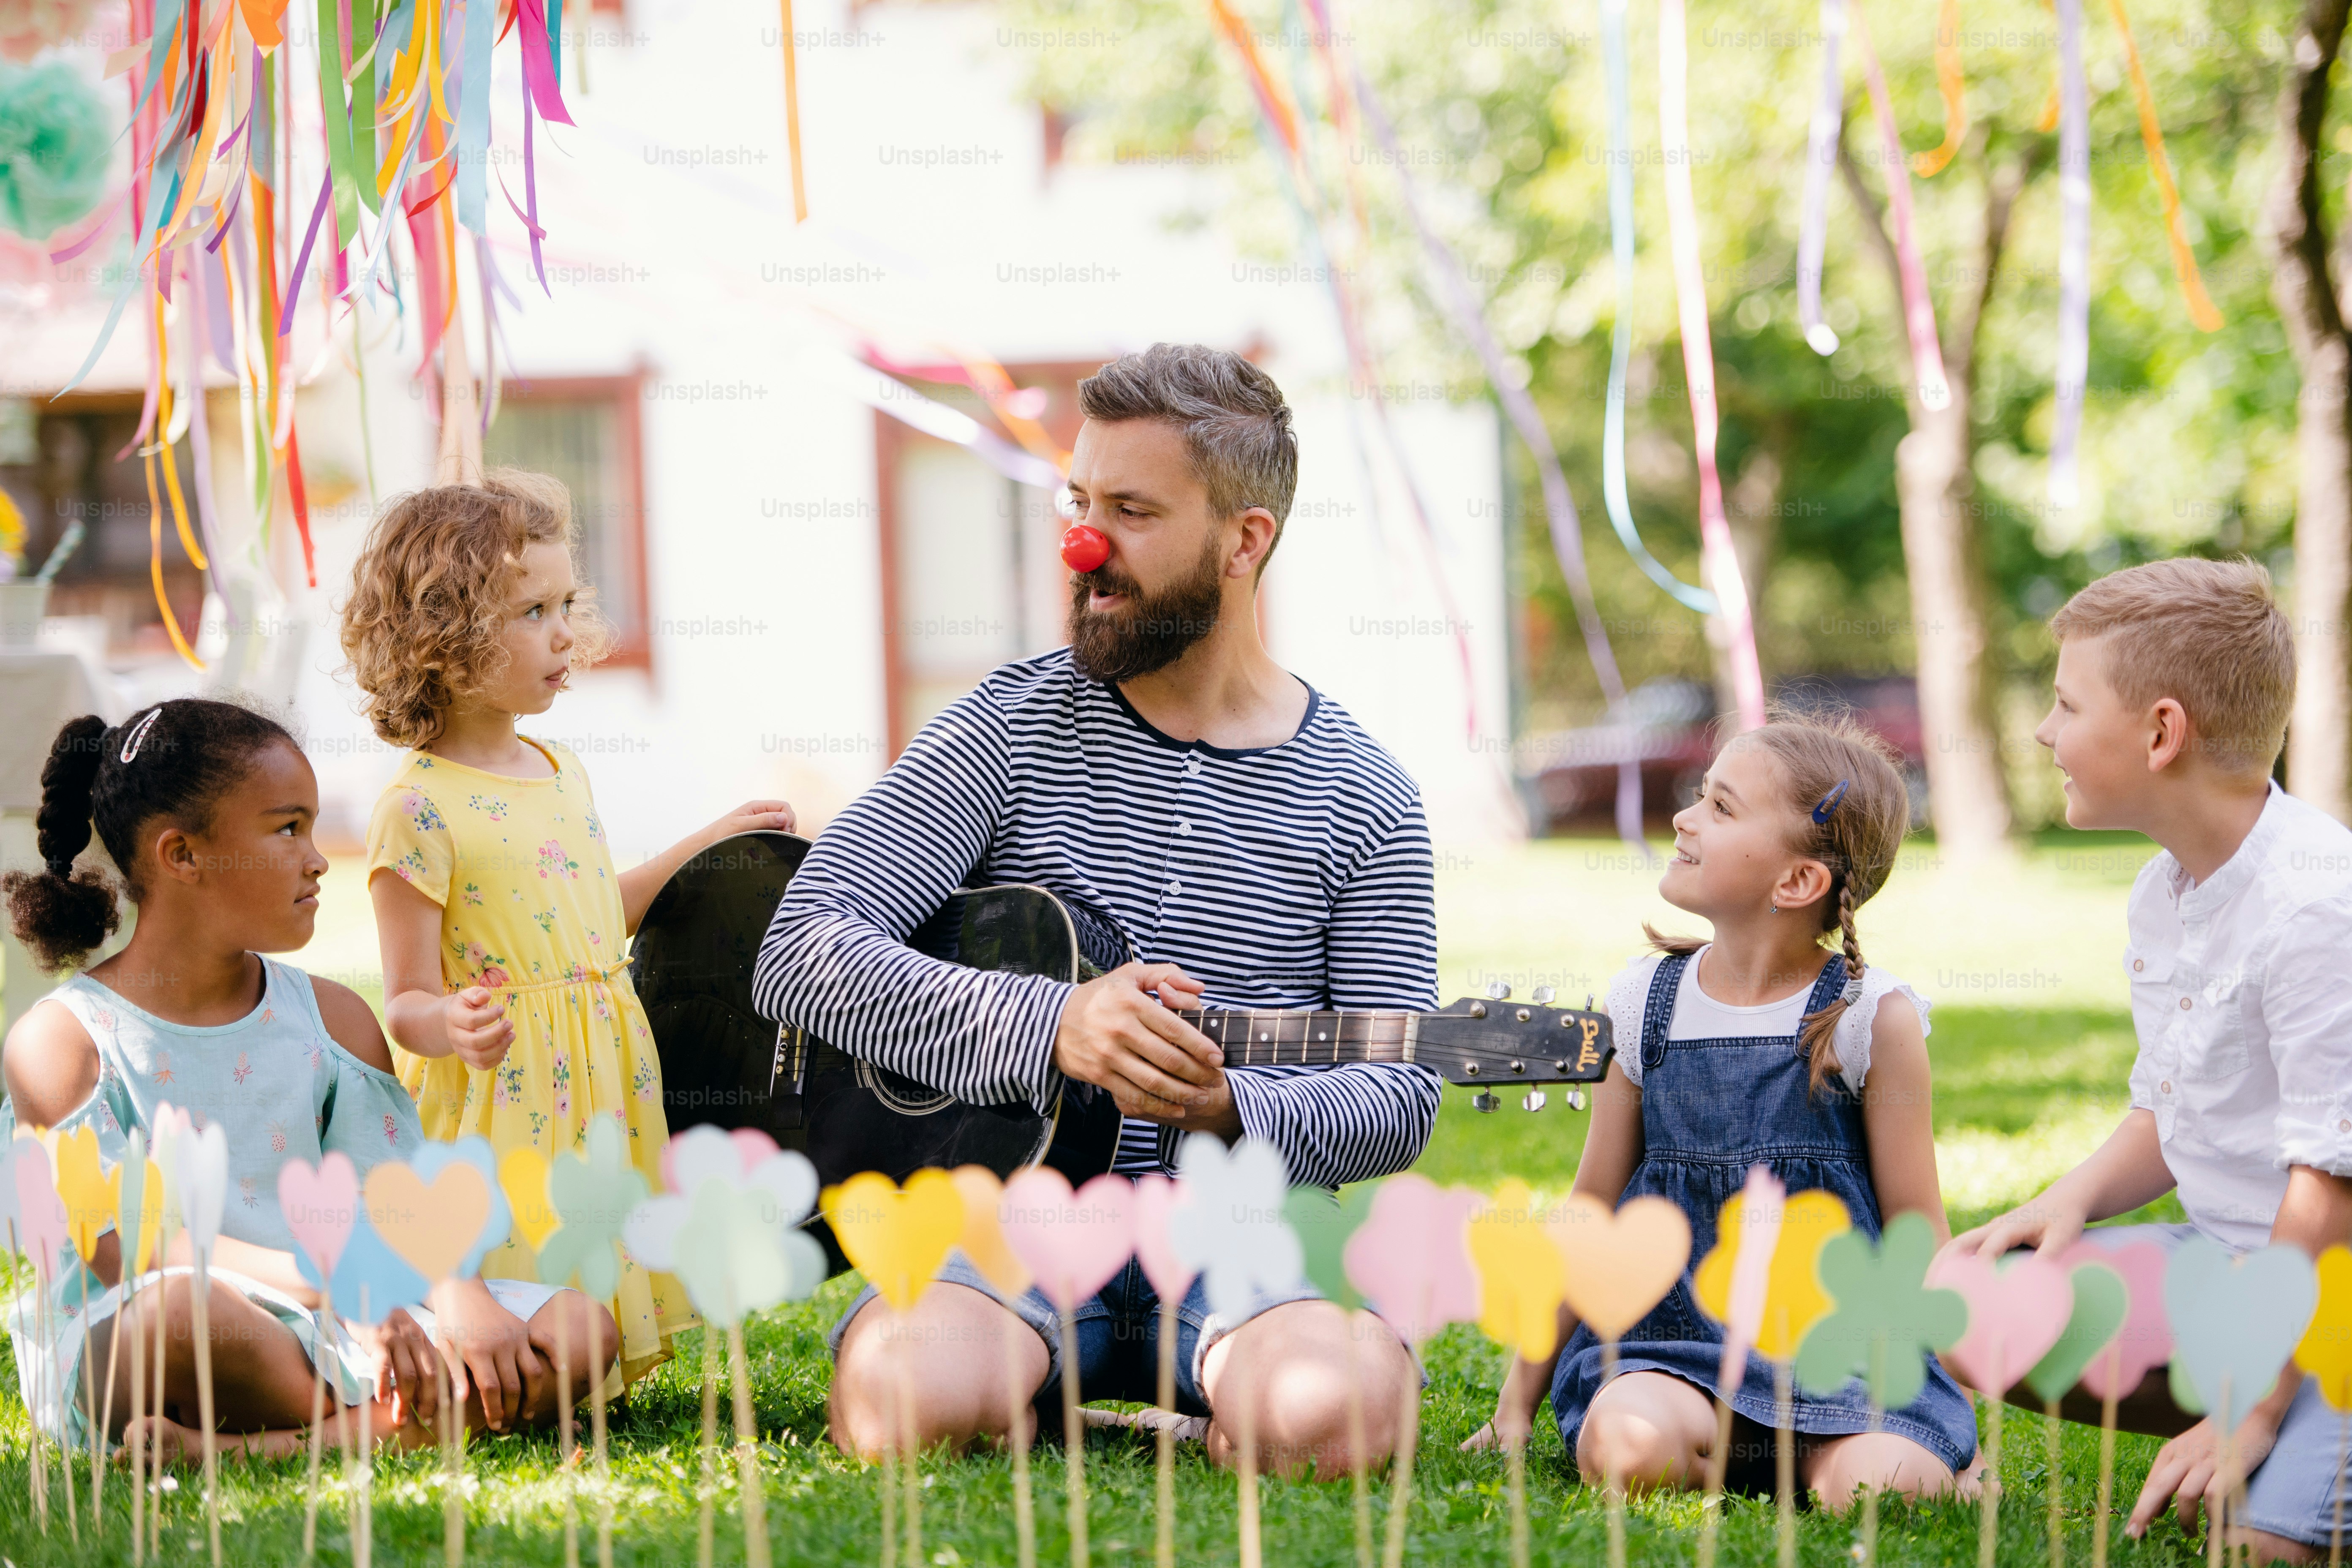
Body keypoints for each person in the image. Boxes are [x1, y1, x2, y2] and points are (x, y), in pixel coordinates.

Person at [757, 343, 1433, 1477]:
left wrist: (1233, 1105)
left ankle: (1171, 1404)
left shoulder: (1366, 795)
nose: (1082, 544)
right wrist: (1051, 1026)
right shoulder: (1004, 727)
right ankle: (1078, 1396)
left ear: (1244, 540)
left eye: (1130, 510)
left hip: (1238, 1232)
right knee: (903, 1404)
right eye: (1078, 501)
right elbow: (804, 946)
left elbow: (1400, 1092)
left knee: (1346, 1419)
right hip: (1003, 1218)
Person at [0, 698, 612, 1463]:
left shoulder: (334, 1019)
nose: (319, 859)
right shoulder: (61, 1042)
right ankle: (424, 1416)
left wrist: (458, 1294)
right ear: (183, 855)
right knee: (176, 1317)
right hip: (171, 1328)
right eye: (288, 829)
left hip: (352, 1317)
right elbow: (129, 1252)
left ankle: (255, 1448)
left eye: (314, 828)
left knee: (584, 1327)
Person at [342, 470, 795, 1397]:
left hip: (599, 1062)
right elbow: (406, 998)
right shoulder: (417, 807)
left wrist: (708, 843)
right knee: (527, 1232)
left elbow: (596, 914)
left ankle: (585, 1365)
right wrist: (451, 1022)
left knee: (593, 1216)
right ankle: (509, 1363)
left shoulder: (560, 768)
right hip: (505, 1085)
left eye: (565, 603)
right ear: (446, 634)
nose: (564, 634)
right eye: (530, 611)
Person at [1470, 713, 1977, 1507]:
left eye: (1722, 808)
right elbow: (1592, 1211)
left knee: (1887, 1491)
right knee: (1625, 1445)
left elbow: (1920, 1229)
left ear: (1797, 883)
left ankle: (1820, 1460)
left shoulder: (1870, 1017)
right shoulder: (1643, 1002)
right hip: (1671, 1350)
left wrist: (1962, 1424)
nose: (1684, 817)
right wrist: (1516, 1404)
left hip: (1845, 1357)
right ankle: (1743, 1457)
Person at [1954, 558, 2352, 1565]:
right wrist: (2070, 1198)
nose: (2045, 731)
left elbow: (2330, 1183)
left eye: (2065, 703)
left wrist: (2251, 1409)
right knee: (1959, 1298)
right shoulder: (2165, 889)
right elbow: (2173, 1100)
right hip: (2241, 1266)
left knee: (2262, 1549)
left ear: (2161, 732)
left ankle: (2289, 1423)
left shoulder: (2316, 909)